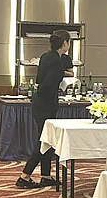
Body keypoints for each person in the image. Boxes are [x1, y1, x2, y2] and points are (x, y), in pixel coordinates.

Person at [16, 30, 69, 189]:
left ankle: (46, 175)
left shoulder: (46, 56)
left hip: (40, 102)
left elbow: (41, 80)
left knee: (48, 139)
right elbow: (48, 85)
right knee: (44, 141)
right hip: (46, 104)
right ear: (65, 44)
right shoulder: (56, 61)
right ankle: (25, 176)